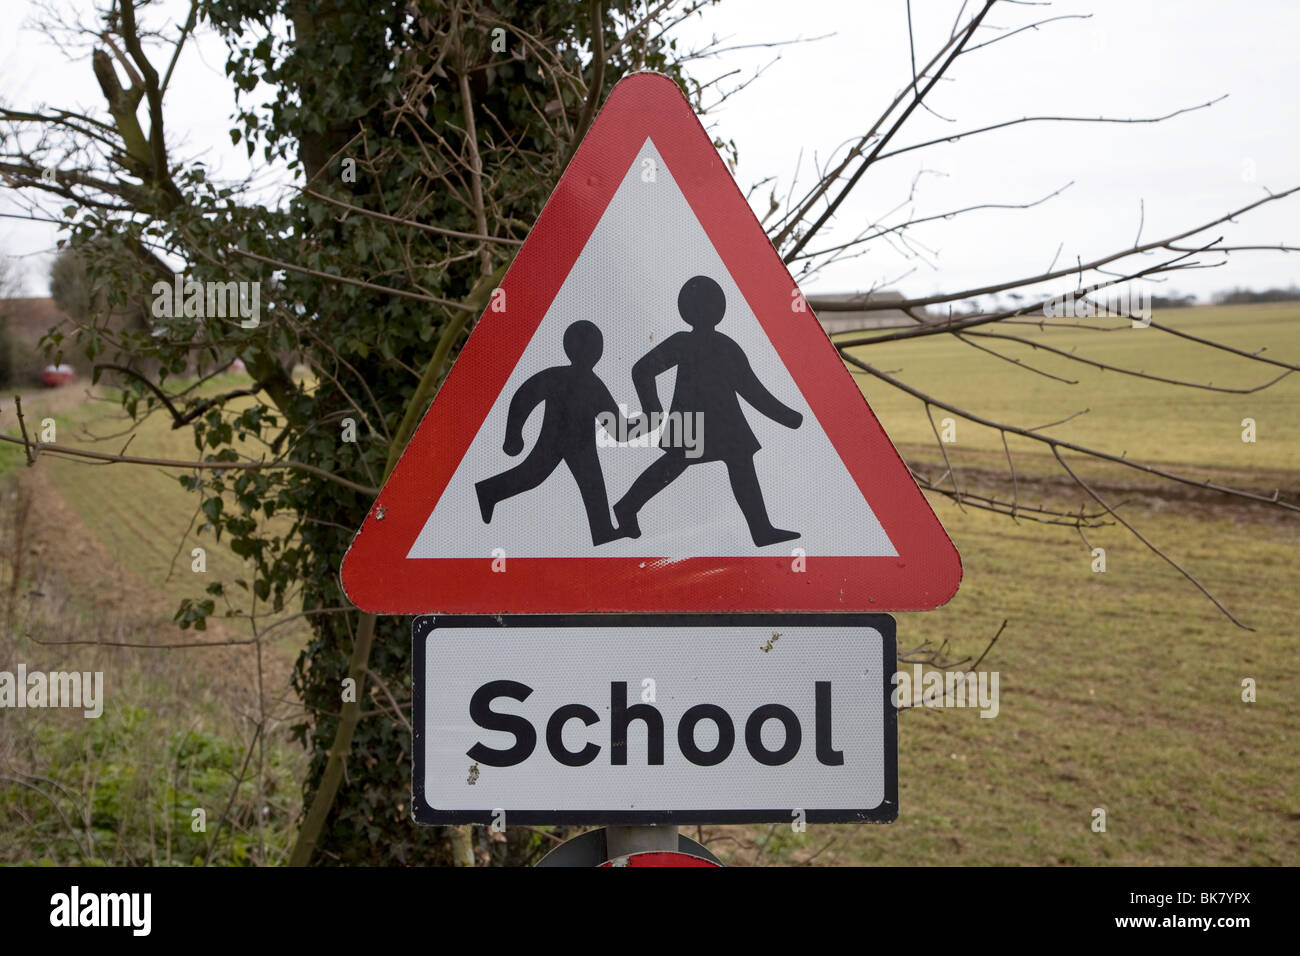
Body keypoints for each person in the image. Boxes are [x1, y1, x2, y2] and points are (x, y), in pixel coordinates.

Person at [613, 275, 803, 546]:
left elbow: (750, 389)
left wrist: (789, 418)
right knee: (675, 465)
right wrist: (652, 409)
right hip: (695, 420)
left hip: (722, 421)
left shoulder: (723, 346)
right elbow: (642, 370)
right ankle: (627, 506)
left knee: (738, 464)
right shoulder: (694, 344)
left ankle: (761, 530)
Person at [475, 320, 632, 545]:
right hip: (563, 440)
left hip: (573, 442)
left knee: (561, 479)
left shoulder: (568, 378)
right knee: (539, 476)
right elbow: (525, 397)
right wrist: (512, 436)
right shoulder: (588, 382)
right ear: (598, 351)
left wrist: (514, 436)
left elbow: (618, 429)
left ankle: (603, 530)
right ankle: (487, 491)